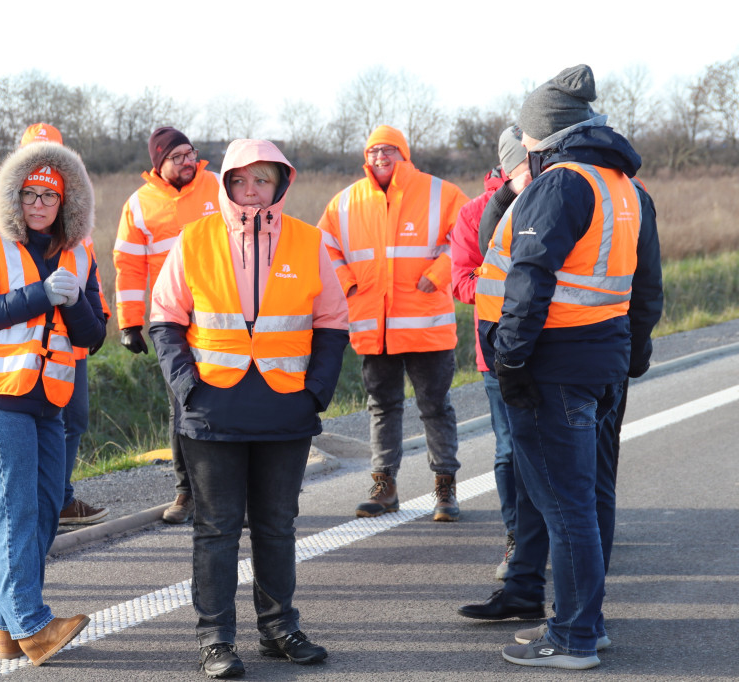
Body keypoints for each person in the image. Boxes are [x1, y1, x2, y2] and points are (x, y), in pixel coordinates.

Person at [458, 65, 663, 669]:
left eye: (526, 135)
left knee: (562, 505)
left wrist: (511, 362)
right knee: (591, 498)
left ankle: (572, 638)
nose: (522, 145)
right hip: (601, 361)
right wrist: (635, 350)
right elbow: (645, 286)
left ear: (543, 135)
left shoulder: (558, 185)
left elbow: (530, 282)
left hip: (553, 368)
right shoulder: (626, 188)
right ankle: (587, 625)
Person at [149, 139, 349, 678]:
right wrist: (187, 388)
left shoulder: (310, 241)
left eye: (262, 179)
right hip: (212, 407)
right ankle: (216, 639)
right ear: (227, 185)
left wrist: (316, 392)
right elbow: (164, 318)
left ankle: (279, 627)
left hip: (286, 407)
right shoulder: (196, 238)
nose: (251, 189)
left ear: (281, 183)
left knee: (277, 525)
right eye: (240, 180)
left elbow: (333, 321)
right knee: (216, 527)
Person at [0, 138, 104, 665]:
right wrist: (42, 294)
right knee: (15, 509)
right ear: (14, 198)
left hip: (50, 400)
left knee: (42, 512)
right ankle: (33, 625)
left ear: (66, 204)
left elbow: (93, 336)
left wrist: (74, 298)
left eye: (50, 196)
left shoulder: (80, 253)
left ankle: (6, 630)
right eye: (30, 194)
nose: (39, 204)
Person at [318, 125, 469, 522]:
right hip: (373, 326)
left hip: (426, 324)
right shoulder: (345, 202)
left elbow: (471, 235)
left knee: (435, 407)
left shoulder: (442, 193)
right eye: (373, 151)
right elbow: (325, 248)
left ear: (404, 155)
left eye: (388, 150)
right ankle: (384, 486)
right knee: (382, 407)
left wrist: (439, 273)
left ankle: (445, 489)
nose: (380, 157)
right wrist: (348, 284)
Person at [0, 122, 111, 527]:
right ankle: (46, 502)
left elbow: (85, 266)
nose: (39, 201)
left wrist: (95, 312)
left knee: (75, 421)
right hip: (22, 348)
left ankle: (59, 497)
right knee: (37, 436)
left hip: (72, 339)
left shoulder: (74, 207)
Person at [113, 126, 220, 524]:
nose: (188, 161)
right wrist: (129, 324)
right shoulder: (139, 204)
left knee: (229, 398)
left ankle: (229, 494)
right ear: (160, 164)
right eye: (178, 157)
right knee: (183, 403)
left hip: (222, 314)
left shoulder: (219, 187)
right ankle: (186, 493)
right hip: (170, 319)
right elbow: (128, 267)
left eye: (190, 153)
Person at [450, 125, 529, 580]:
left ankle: (563, 534)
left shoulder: (554, 196)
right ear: (505, 165)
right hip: (494, 351)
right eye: (520, 161)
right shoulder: (475, 213)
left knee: (550, 448)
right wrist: (511, 290)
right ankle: (516, 538)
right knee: (507, 449)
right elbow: (459, 280)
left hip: (548, 347)